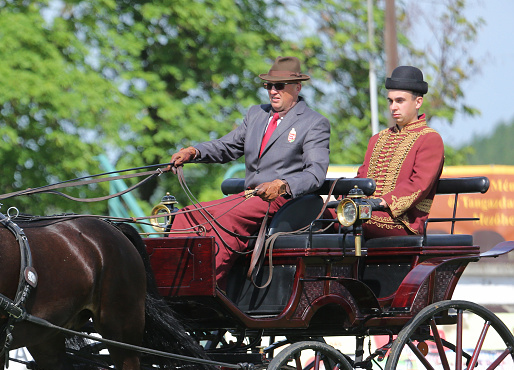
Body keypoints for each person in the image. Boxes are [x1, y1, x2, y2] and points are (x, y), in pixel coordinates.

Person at [168, 56, 330, 287]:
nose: (273, 91)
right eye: (269, 85)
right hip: (249, 198)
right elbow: (228, 146)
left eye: (280, 85)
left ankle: (206, 288)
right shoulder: (256, 114)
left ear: (297, 87)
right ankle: (173, 283)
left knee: (224, 219)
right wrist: (195, 152)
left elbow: (315, 173)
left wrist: (282, 184)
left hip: (282, 201)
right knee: (187, 215)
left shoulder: (314, 123)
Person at [357, 65, 444, 237]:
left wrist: (382, 202)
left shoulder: (430, 138)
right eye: (390, 101)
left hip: (403, 222)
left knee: (354, 219)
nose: (393, 107)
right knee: (317, 214)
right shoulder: (378, 138)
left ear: (418, 102)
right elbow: (361, 179)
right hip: (366, 213)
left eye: (400, 101)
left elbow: (418, 185)